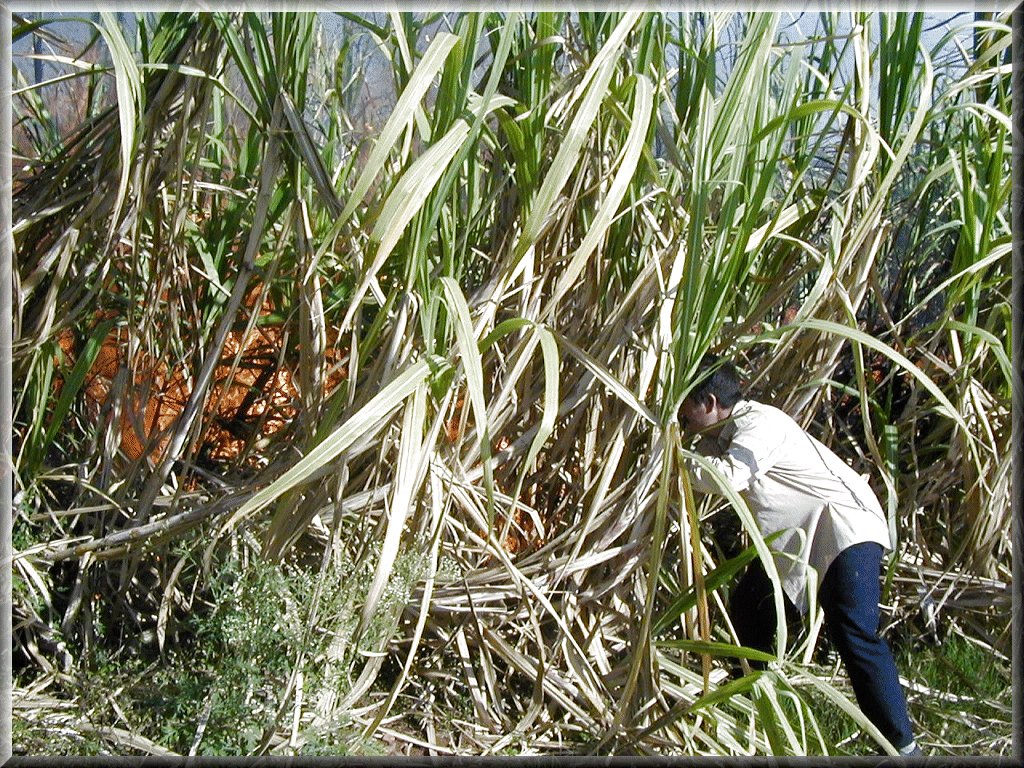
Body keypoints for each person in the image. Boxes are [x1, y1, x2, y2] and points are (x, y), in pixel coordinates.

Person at [679, 353, 920, 756]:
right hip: (800, 543)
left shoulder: (760, 423)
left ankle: (903, 749)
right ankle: (756, 706)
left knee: (854, 634)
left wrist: (675, 462)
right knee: (749, 611)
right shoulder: (720, 434)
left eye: (685, 411)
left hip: (843, 530)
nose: (682, 422)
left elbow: (732, 476)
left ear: (708, 404)